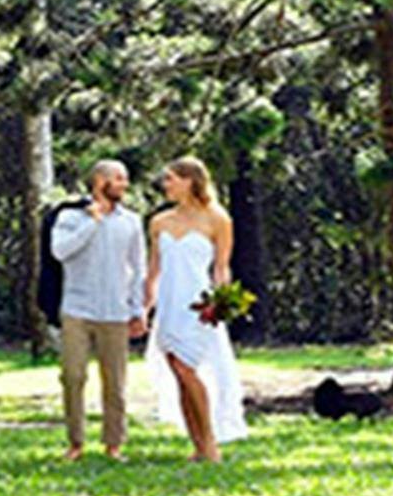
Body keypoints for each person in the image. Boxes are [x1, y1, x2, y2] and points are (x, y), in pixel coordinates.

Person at [144, 156, 248, 462]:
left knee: (188, 369)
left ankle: (211, 442)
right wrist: (144, 308)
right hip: (169, 305)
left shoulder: (217, 218)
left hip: (199, 304)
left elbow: (221, 267)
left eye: (170, 179)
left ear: (190, 181)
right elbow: (153, 270)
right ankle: (198, 444)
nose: (165, 185)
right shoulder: (159, 222)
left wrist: (222, 300)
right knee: (178, 372)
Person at [49, 159, 147, 461]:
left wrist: (138, 309)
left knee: (115, 382)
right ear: (100, 181)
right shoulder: (69, 216)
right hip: (77, 309)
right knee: (73, 375)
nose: (124, 184)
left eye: (125, 178)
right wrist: (92, 222)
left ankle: (114, 443)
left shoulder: (131, 221)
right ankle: (75, 442)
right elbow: (60, 251)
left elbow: (138, 267)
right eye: (118, 178)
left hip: (115, 311)